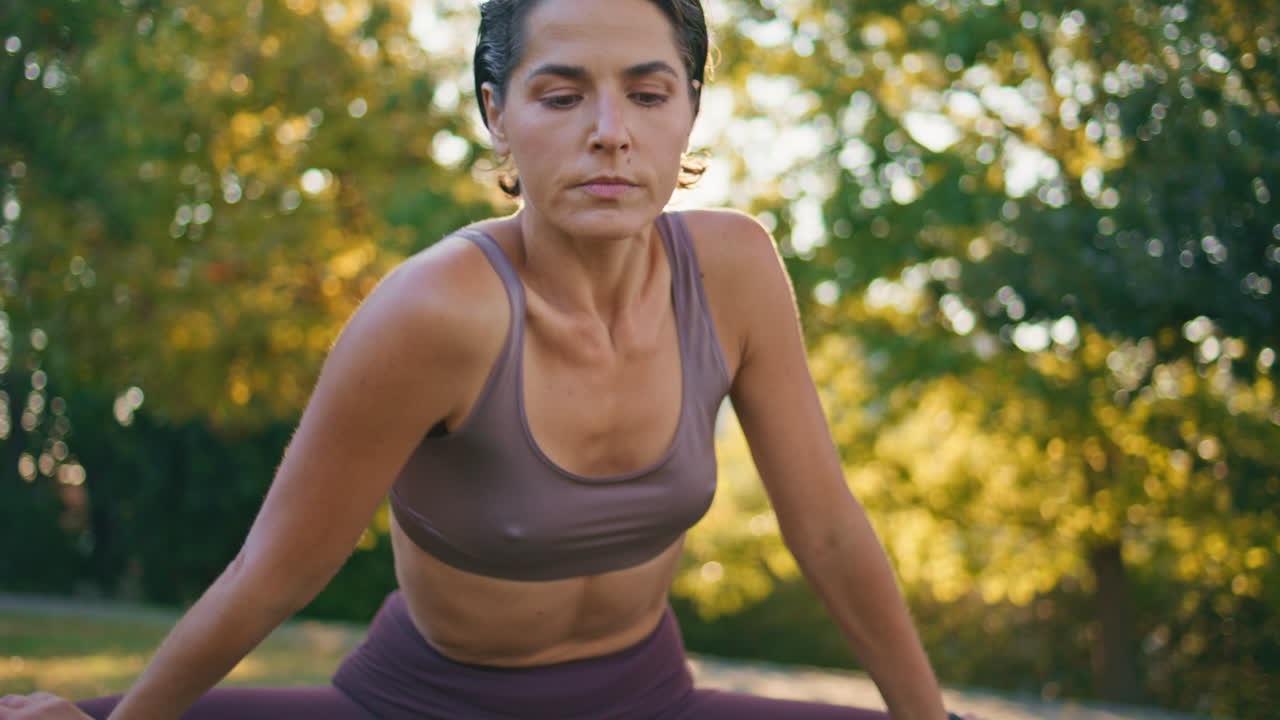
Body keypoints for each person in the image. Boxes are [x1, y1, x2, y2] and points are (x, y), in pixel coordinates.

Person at [0, 0, 972, 718]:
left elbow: (830, 533)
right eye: (560, 95)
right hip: (423, 708)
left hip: (650, 697)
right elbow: (275, 572)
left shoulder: (735, 271)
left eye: (647, 92)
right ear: (495, 114)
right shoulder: (433, 313)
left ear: (688, 112)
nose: (609, 133)